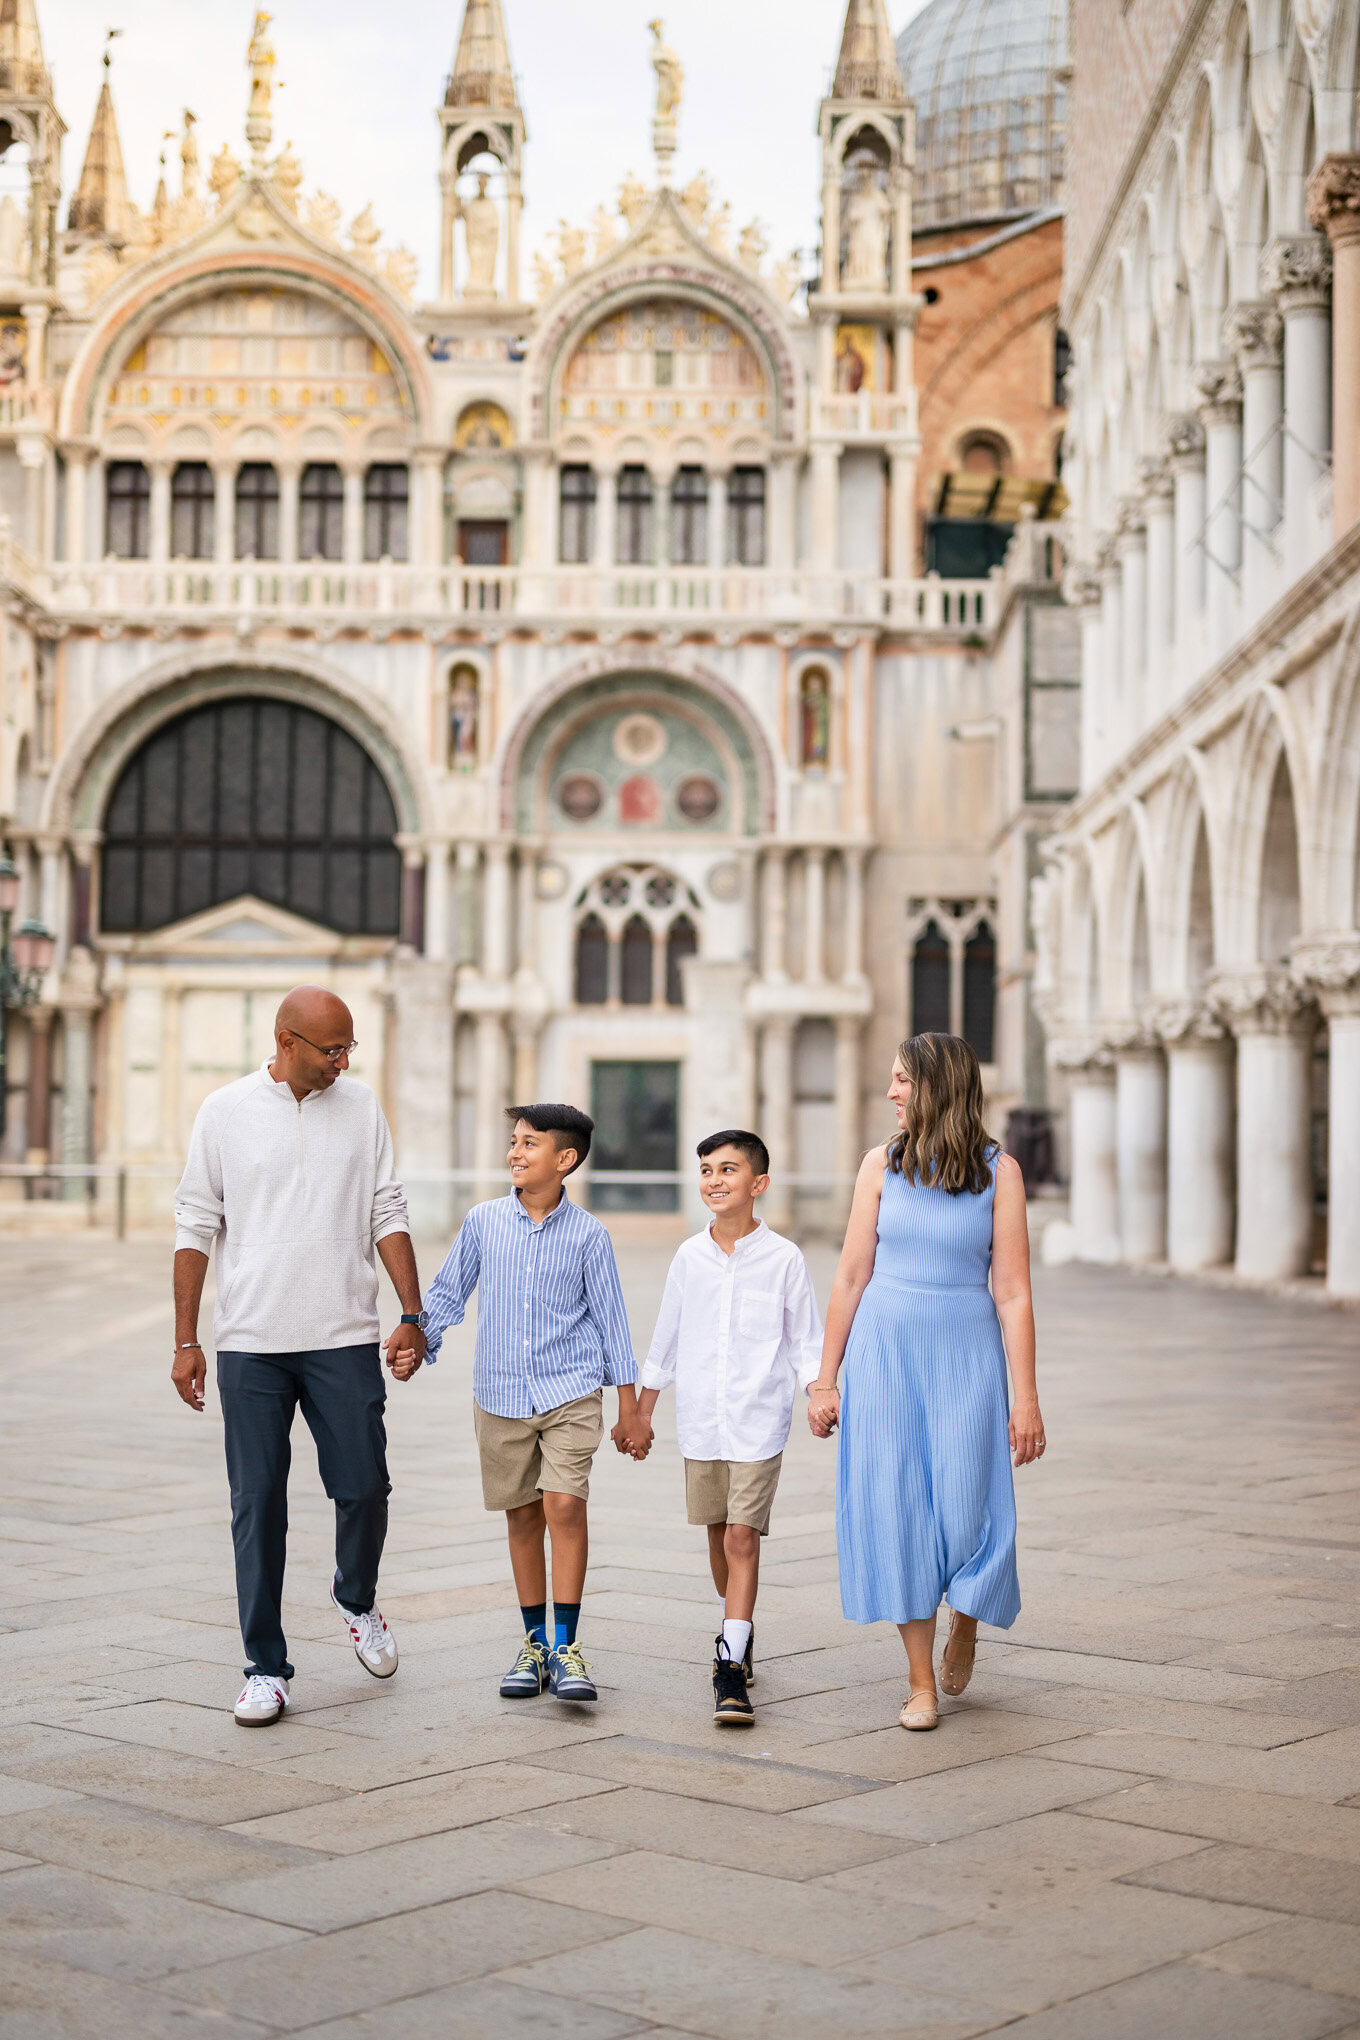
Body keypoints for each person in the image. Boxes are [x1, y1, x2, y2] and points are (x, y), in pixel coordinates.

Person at [172, 986, 426, 1728]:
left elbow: (388, 1208)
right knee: (256, 1506)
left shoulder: (361, 1105)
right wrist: (187, 1339)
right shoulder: (223, 1112)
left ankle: (356, 1596)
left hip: (343, 1334)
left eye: (350, 1048)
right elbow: (195, 1223)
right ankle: (265, 1667)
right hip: (250, 1343)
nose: (343, 1062)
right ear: (287, 1042)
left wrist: (410, 1313)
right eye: (331, 1049)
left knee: (365, 1486)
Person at [808, 1033, 1045, 1731]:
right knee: (898, 1508)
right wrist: (825, 1381)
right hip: (885, 1353)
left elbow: (1014, 1293)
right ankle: (919, 1683)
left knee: (972, 1506)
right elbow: (851, 1275)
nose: (891, 1093)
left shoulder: (1001, 1174)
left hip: (966, 1350)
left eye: (903, 1080)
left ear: (938, 1086)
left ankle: (966, 1616)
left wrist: (1026, 1398)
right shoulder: (878, 1166)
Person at [420, 1103, 650, 1705]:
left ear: (564, 1159)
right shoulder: (483, 1222)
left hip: (570, 1390)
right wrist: (418, 1340)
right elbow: (448, 1292)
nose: (515, 1153)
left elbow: (612, 1323)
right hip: (499, 1395)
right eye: (514, 1142)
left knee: (563, 1506)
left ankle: (568, 1647)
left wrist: (629, 1407)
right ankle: (535, 1645)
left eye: (529, 1143)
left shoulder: (589, 1236)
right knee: (522, 1516)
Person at [637, 1130, 822, 1727]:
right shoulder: (688, 1257)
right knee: (719, 1540)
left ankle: (730, 1665)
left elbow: (806, 1341)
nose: (714, 1180)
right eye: (707, 1170)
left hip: (759, 1419)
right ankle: (737, 1624)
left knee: (743, 1539)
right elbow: (664, 1338)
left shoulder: (785, 1258)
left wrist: (821, 1392)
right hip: (701, 1422)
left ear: (758, 1184)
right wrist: (641, 1411)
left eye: (728, 1170)